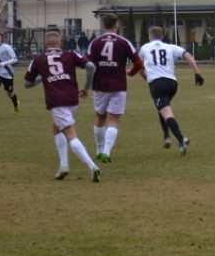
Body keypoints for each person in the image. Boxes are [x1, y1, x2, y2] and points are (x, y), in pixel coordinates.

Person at [24, 30, 100, 182]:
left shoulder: (38, 59)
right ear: (60, 43)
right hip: (72, 99)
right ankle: (64, 165)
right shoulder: (70, 54)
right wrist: (86, 87)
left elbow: (27, 83)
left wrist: (42, 79)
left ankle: (92, 167)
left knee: (70, 135)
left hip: (56, 101)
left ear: (44, 45)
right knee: (56, 128)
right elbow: (91, 66)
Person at [137, 26, 204, 156]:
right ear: (162, 36)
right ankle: (167, 137)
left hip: (157, 84)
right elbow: (188, 56)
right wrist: (197, 74)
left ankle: (181, 140)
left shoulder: (144, 48)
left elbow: (139, 67)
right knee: (162, 108)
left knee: (166, 113)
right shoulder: (170, 47)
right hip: (172, 83)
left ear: (150, 36)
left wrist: (148, 79)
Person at [87, 13, 143, 162]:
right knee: (114, 120)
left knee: (100, 117)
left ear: (104, 25)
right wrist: (131, 73)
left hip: (99, 85)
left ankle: (99, 150)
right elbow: (138, 63)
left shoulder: (95, 43)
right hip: (118, 85)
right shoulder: (124, 42)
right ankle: (106, 152)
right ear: (116, 25)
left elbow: (88, 64)